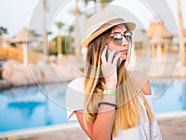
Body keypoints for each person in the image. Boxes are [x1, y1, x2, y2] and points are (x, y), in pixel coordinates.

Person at [66, 10, 162, 140]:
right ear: (98, 46)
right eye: (117, 37)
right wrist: (110, 85)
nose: (125, 42)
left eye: (127, 35)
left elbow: (154, 133)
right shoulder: (78, 89)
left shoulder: (140, 80)